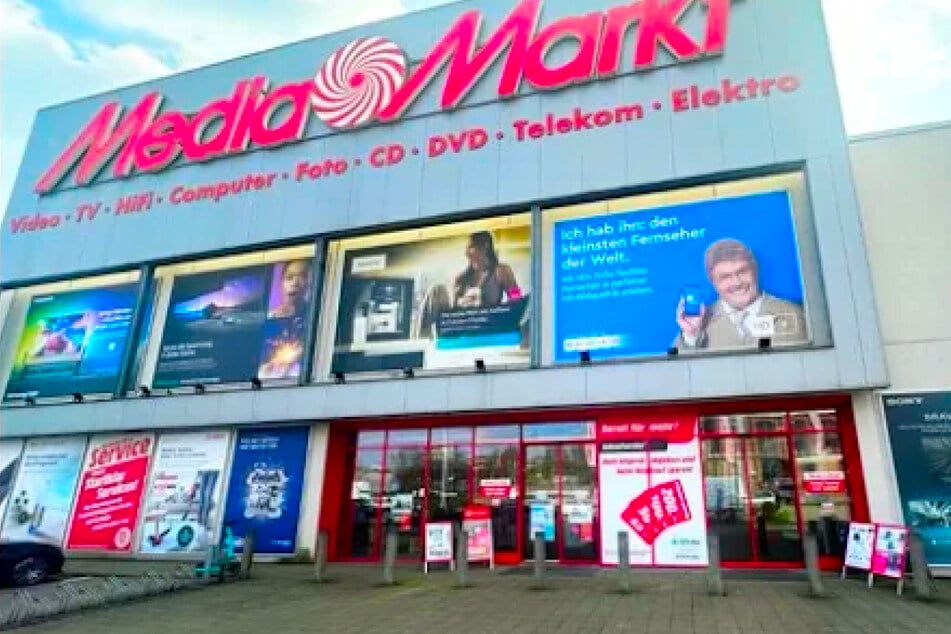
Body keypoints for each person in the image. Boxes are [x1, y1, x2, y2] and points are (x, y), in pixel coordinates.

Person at [675, 238, 806, 350]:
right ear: (713, 281)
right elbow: (678, 373)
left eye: (742, 271)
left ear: (755, 270)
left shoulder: (795, 313)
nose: (737, 282)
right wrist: (691, 335)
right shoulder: (699, 323)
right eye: (725, 277)